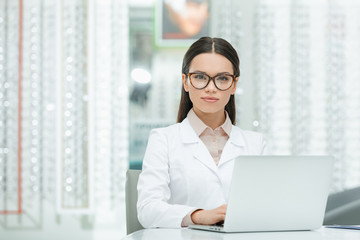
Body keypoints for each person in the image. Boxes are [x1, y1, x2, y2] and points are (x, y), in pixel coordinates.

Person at [137, 37, 267, 228]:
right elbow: (147, 210)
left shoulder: (255, 143)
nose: (211, 88)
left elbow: (265, 207)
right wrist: (197, 216)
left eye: (222, 78)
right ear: (186, 82)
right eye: (200, 77)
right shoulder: (163, 139)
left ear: (234, 85)